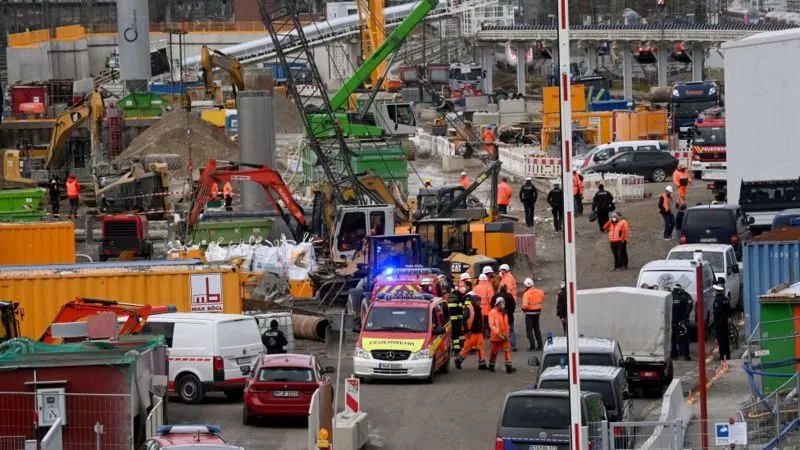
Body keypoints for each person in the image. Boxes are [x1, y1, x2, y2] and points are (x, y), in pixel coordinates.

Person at [454, 292, 489, 370]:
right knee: (467, 348)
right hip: (471, 333)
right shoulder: (469, 309)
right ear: (473, 301)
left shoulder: (478, 309)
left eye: (479, 300)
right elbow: (463, 320)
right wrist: (466, 331)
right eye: (478, 301)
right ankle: (458, 360)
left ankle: (482, 364)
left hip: (478, 332)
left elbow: (480, 320)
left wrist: (483, 331)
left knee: (481, 348)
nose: (479, 302)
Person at [488, 298, 517, 373]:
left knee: (507, 351)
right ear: (497, 305)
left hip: (504, 336)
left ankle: (509, 367)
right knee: (494, 352)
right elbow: (492, 325)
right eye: (500, 306)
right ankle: (491, 365)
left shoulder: (504, 313)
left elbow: (506, 325)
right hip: (496, 337)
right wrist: (499, 334)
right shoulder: (492, 313)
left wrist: (506, 335)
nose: (502, 308)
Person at [521, 278, 545, 350]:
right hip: (537, 312)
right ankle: (540, 345)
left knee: (529, 330)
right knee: (537, 329)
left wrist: (523, 308)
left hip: (529, 314)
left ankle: (532, 346)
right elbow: (542, 299)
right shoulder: (540, 292)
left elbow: (525, 305)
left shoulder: (526, 294)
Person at [671, 283, 693, 361]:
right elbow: (689, 307)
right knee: (684, 339)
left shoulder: (670, 298)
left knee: (673, 339)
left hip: (672, 322)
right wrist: (684, 317)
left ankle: (674, 355)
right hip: (682, 321)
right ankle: (685, 355)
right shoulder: (684, 298)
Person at [491, 284, 517, 351]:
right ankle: (513, 345)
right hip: (509, 316)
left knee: (501, 331)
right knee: (511, 330)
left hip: (499, 317)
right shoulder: (509, 296)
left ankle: (502, 346)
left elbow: (492, 304)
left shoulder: (496, 296)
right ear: (506, 288)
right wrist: (511, 312)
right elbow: (513, 305)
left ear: (500, 288)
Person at [713, 284, 732, 368]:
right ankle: (727, 356)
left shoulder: (717, 301)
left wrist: (715, 326)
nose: (713, 292)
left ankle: (722, 357)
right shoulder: (726, 299)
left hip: (719, 323)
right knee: (726, 340)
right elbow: (729, 310)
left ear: (717, 292)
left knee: (721, 341)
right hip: (725, 323)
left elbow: (717, 314)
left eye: (714, 291)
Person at [475, 273, 495, 338]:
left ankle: (482, 333)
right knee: (487, 322)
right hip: (487, 309)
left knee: (480, 322)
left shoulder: (475, 287)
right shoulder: (489, 287)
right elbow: (491, 299)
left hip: (478, 309)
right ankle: (488, 333)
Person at [447, 287, 465, 354]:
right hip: (457, 320)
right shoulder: (457, 300)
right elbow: (461, 309)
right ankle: (458, 348)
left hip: (450, 321)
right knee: (458, 335)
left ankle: (455, 348)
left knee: (453, 335)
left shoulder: (448, 300)